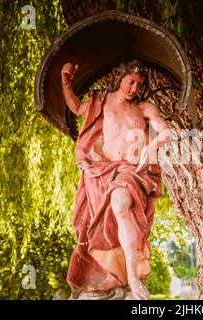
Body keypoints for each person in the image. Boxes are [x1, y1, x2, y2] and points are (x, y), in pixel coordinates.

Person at [61, 60, 171, 300]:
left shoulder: (144, 108)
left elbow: (167, 132)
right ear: (120, 78)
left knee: (120, 203)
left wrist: (150, 147)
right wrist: (66, 83)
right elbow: (77, 108)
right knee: (103, 224)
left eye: (139, 84)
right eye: (130, 82)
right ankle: (114, 278)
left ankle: (132, 277)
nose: (134, 88)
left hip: (131, 171)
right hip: (103, 172)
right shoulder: (102, 101)